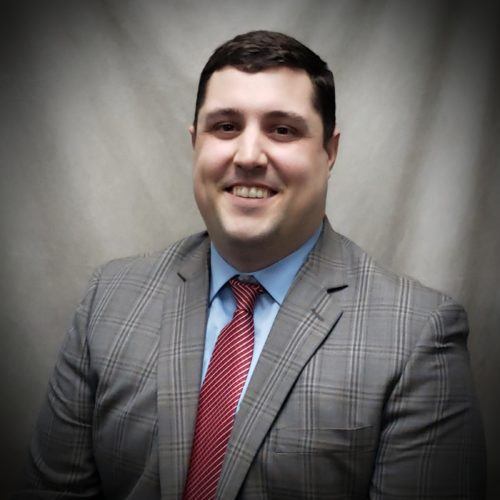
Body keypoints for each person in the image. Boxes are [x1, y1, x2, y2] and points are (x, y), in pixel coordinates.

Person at [16, 30, 485, 499]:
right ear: (195, 142)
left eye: (282, 129)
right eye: (225, 127)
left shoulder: (418, 335)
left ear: (330, 152)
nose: (248, 156)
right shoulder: (109, 299)